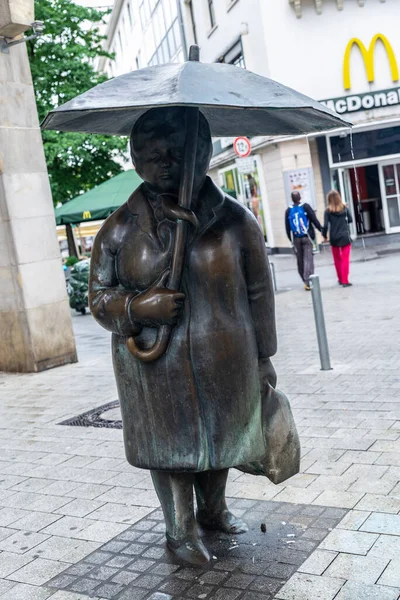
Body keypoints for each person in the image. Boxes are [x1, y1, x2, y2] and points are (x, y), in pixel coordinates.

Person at [89, 107, 295, 565]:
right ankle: (179, 529)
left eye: (176, 153)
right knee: (171, 447)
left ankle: (214, 509)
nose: (164, 163)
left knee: (222, 437)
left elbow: (260, 292)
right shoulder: (120, 228)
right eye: (150, 154)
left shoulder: (236, 222)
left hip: (225, 354)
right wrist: (137, 307)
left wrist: (265, 354)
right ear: (135, 159)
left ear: (201, 154)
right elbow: (98, 298)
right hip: (154, 366)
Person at [285, 191, 322, 291]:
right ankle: (308, 280)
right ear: (300, 197)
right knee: (308, 259)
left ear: (292, 199)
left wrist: (291, 240)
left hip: (296, 238)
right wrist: (321, 230)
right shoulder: (305, 207)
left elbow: (287, 228)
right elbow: (314, 219)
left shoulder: (288, 210)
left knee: (300, 260)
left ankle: (304, 279)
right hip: (307, 236)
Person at [322, 190, 353, 287]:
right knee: (345, 259)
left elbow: (326, 225)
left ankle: (340, 279)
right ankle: (345, 280)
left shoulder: (327, 211)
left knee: (337, 259)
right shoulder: (344, 208)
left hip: (334, 237)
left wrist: (324, 235)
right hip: (344, 236)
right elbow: (351, 220)